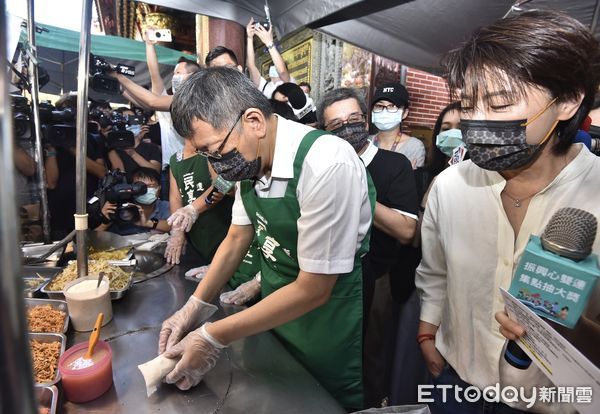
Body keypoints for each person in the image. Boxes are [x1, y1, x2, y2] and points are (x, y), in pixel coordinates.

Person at [416, 10, 600, 413]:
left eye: (499, 104)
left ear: (568, 100)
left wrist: (574, 332)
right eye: (466, 105)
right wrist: (428, 335)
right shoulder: (449, 186)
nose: (477, 121)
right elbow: (435, 272)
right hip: (458, 382)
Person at [160, 67, 373, 411]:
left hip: (323, 317)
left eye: (216, 150)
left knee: (317, 400)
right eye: (207, 156)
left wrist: (213, 336)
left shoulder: (327, 162)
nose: (215, 167)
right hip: (273, 308)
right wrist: (195, 306)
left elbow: (314, 288)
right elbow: (236, 237)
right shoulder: (251, 161)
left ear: (255, 121)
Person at [317, 87, 418, 408]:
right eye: (336, 125)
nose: (347, 128)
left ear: (366, 120)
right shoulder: (322, 165)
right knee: (332, 352)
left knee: (370, 357)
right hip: (327, 279)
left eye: (353, 119)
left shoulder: (394, 164)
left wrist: (357, 185)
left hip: (376, 278)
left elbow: (406, 231)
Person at [163, 138, 234, 265]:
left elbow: (223, 183)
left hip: (221, 228)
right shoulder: (175, 160)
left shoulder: (211, 151)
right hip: (196, 234)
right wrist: (177, 231)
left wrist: (192, 209)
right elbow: (175, 198)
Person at [44, 94, 106, 239]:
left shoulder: (93, 139)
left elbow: (101, 172)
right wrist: (52, 149)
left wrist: (72, 148)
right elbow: (51, 183)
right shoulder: (50, 139)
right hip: (59, 211)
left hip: (88, 208)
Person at [95, 167, 170, 235]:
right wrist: (105, 222)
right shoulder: (118, 207)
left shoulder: (167, 207)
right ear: (130, 187)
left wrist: (148, 223)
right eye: (140, 187)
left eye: (150, 186)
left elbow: (176, 227)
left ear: (159, 188)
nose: (145, 190)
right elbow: (93, 240)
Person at [370, 83, 426, 169]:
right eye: (379, 106)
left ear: (405, 113)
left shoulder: (413, 146)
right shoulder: (365, 142)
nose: (384, 111)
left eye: (392, 106)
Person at [106, 107, 161, 183]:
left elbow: (155, 171)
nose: (130, 123)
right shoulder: (114, 150)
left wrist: (133, 154)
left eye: (133, 119)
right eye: (125, 119)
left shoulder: (151, 147)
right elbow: (119, 177)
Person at [245, 18, 292, 98]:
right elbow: (251, 66)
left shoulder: (288, 83)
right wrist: (249, 38)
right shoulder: (264, 86)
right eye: (272, 68)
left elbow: (282, 71)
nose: (275, 70)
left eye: (276, 68)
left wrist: (269, 42)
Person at [429, 101, 462, 178]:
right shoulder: (421, 177)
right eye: (446, 128)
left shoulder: (484, 178)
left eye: (461, 128)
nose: (453, 135)